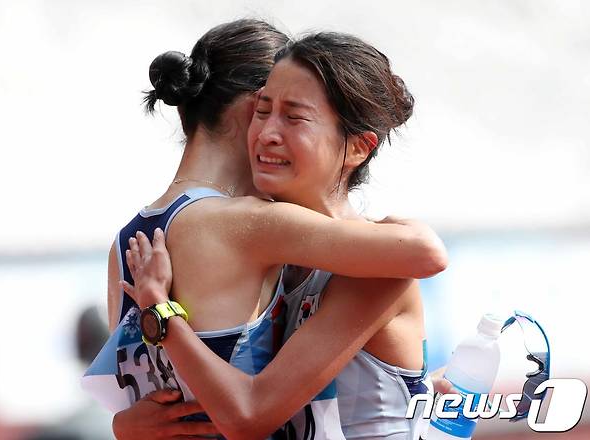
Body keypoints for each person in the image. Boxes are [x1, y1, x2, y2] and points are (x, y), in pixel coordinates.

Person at [116, 31, 447, 440]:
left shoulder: (378, 268)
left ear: (359, 148)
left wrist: (161, 313)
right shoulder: (269, 254)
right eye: (262, 110)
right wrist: (126, 425)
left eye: (294, 117)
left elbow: (249, 415)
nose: (266, 132)